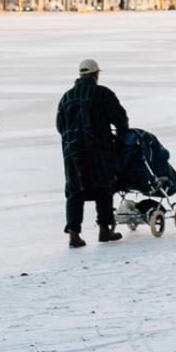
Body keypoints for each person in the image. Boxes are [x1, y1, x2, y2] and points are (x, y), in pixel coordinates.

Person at [56, 59, 129, 247]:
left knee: (75, 191)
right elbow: (120, 119)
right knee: (104, 188)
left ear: (80, 75)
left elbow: (60, 126)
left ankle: (74, 234)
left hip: (72, 151)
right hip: (99, 147)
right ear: (96, 75)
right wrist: (121, 141)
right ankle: (104, 230)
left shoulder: (66, 97)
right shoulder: (103, 93)